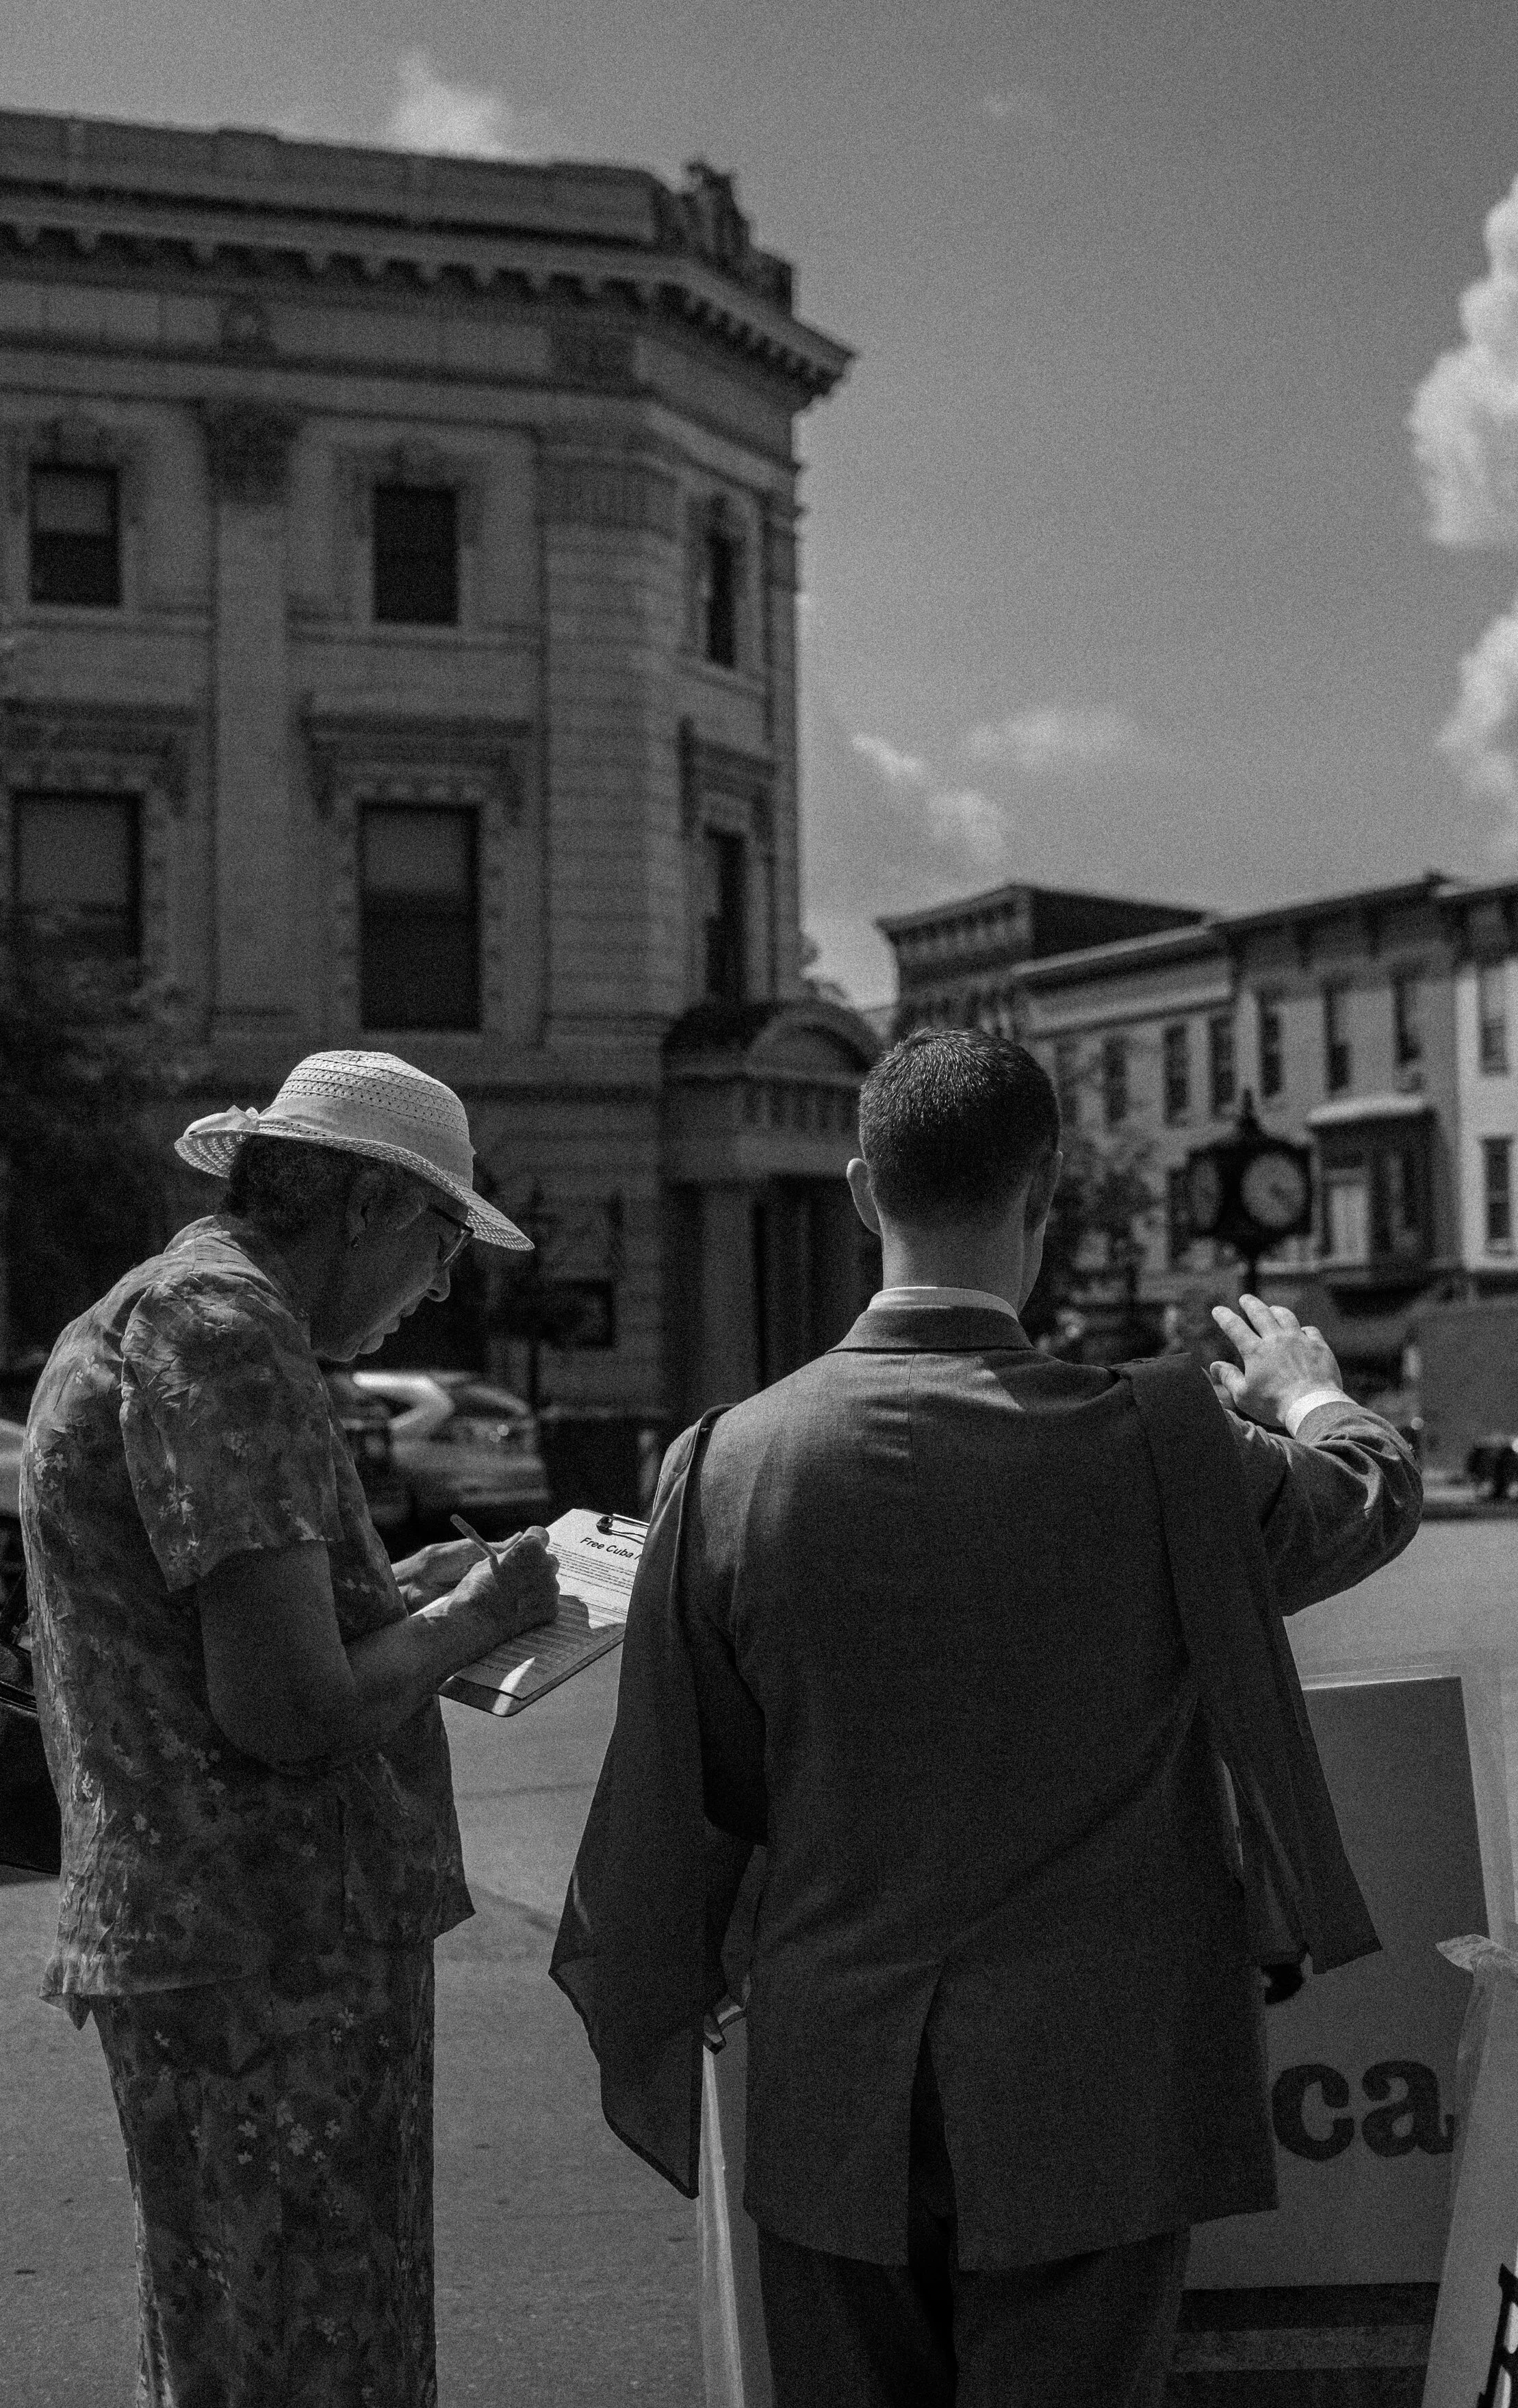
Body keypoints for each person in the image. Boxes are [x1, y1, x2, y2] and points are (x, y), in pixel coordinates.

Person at [558, 1028, 1423, 2408]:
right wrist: (1306, 1387)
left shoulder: (724, 1464)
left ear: (856, 1191)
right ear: (1048, 1191)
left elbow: (695, 1796)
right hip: (1095, 2087)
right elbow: (1364, 1496)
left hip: (837, 2083)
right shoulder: (1159, 1449)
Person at [19, 1049, 561, 2408]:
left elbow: (248, 1638)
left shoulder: (153, 1313)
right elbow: (288, 1712)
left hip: (211, 1933)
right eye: (439, 1242)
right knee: (311, 2352)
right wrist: (485, 1612)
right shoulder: (226, 1328)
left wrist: (405, 1598)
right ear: (367, 1204)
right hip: (273, 1943)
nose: (439, 1289)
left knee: (228, 2336)